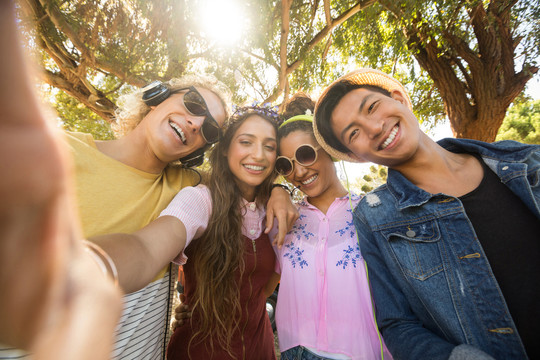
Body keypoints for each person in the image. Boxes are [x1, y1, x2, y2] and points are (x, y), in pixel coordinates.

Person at [313, 68, 540, 359]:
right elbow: (397, 325)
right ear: (356, 156)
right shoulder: (374, 219)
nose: (373, 128)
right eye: (354, 133)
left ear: (398, 99)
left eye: (372, 107)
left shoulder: (524, 160)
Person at [0, 1, 122, 359]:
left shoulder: (186, 185)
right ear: (154, 98)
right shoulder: (50, 142)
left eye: (210, 128)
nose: (197, 123)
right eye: (193, 103)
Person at [270, 93, 393, 360]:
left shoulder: (373, 212)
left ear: (329, 149)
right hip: (295, 353)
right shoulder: (281, 218)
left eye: (305, 154)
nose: (299, 172)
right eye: (286, 165)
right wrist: (275, 189)